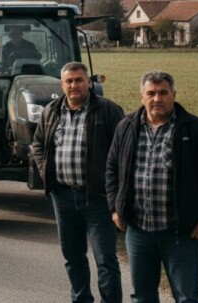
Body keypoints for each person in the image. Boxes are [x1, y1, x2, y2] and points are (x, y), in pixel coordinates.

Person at [106, 70, 198, 303]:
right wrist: (114, 208)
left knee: (187, 297)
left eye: (163, 92)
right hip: (138, 231)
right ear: (142, 96)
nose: (157, 99)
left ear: (174, 95)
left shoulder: (196, 130)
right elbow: (111, 169)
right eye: (151, 93)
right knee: (142, 297)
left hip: (180, 233)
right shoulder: (126, 127)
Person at [31, 62, 125, 303]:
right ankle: (81, 298)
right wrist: (45, 171)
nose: (74, 85)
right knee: (73, 256)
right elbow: (38, 144)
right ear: (62, 85)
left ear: (89, 82)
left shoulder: (108, 111)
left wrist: (112, 192)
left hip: (97, 198)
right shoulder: (51, 111)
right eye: (69, 81)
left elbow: (123, 152)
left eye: (79, 80)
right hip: (62, 197)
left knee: (105, 259)